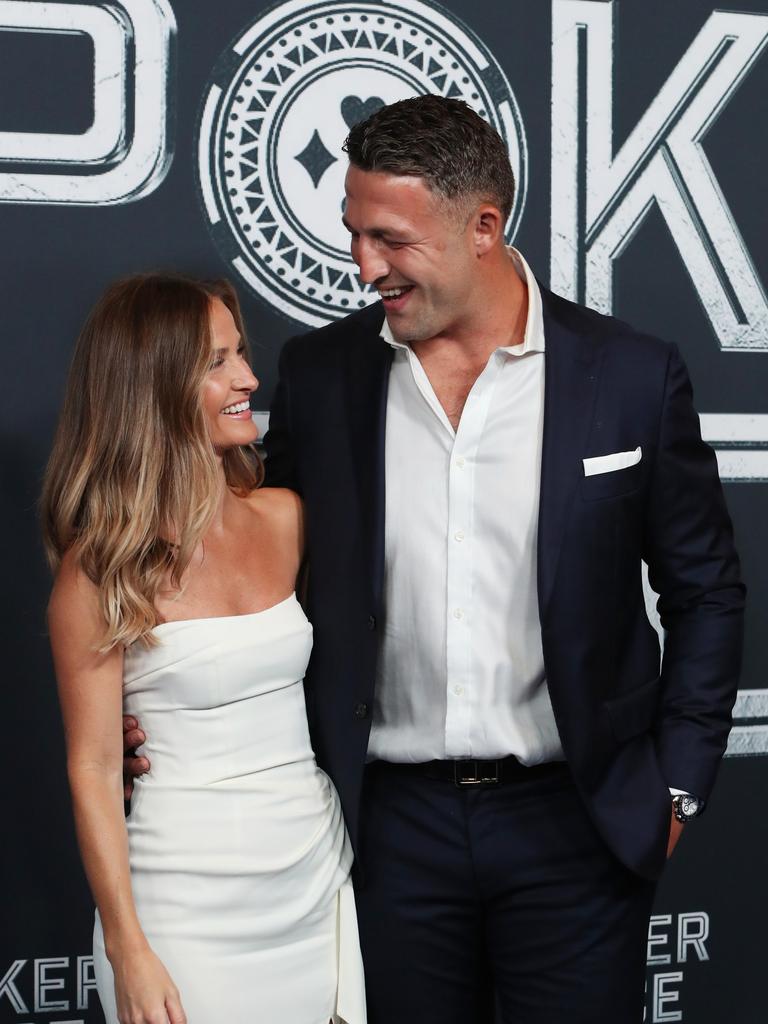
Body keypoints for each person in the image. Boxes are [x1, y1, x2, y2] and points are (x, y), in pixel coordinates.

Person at [124, 97, 745, 1023]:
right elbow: (251, 575)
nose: (364, 265)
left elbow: (706, 593)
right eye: (354, 234)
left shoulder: (629, 374)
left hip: (575, 822)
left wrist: (679, 783)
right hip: (385, 829)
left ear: (483, 227)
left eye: (391, 239)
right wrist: (156, 715)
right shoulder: (322, 376)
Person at [42, 274, 366, 1024]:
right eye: (217, 362)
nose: (248, 378)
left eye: (241, 354)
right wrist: (128, 946)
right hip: (178, 903)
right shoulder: (100, 569)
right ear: (151, 387)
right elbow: (92, 765)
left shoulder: (288, 520)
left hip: (314, 880)